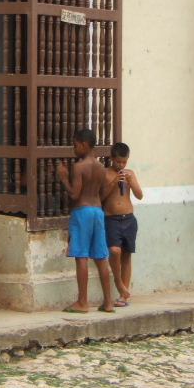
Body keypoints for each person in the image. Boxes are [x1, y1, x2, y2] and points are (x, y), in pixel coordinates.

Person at [57, 129, 115, 313]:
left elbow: (75, 194)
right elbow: (103, 191)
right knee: (100, 257)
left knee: (81, 256)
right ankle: (108, 302)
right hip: (97, 210)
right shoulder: (100, 167)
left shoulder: (78, 167)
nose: (74, 149)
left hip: (82, 211)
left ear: (84, 144)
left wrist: (63, 178)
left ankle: (82, 302)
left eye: (75, 145)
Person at [102, 142, 143, 307]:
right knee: (114, 251)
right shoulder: (105, 173)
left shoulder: (130, 173)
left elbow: (140, 195)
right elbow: (101, 198)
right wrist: (113, 183)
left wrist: (131, 182)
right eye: (118, 162)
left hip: (129, 219)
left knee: (126, 255)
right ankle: (119, 283)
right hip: (111, 218)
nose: (121, 165)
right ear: (112, 158)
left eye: (124, 162)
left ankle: (123, 295)